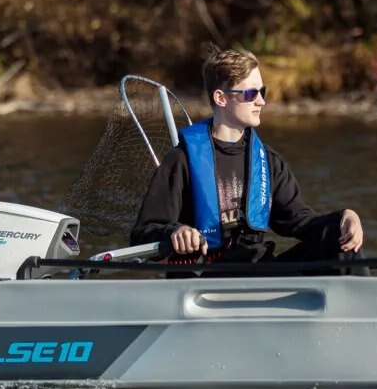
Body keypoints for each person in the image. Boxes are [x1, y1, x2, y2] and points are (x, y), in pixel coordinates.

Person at [131, 46, 364, 269]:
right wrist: (174, 232)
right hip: (206, 275)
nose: (261, 101)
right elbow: (143, 234)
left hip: (258, 269)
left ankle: (364, 303)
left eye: (262, 92)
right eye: (251, 93)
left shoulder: (269, 161)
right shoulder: (181, 160)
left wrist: (344, 216)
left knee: (340, 238)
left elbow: (300, 222)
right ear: (221, 98)